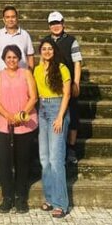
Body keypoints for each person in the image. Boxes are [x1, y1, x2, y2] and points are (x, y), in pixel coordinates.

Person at [0, 44, 37, 214]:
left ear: (19, 58)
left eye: (15, 57)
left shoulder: (26, 73)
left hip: (24, 124)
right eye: (8, 57)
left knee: (22, 162)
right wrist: (8, 116)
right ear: (4, 59)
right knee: (5, 162)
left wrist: (21, 114)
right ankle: (7, 197)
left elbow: (33, 97)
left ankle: (21, 197)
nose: (12, 60)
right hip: (4, 125)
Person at [34, 38, 71, 218]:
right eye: (44, 49)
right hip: (42, 110)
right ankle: (49, 198)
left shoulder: (62, 68)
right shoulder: (37, 70)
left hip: (57, 109)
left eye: (50, 48)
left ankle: (61, 203)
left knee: (56, 159)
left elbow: (67, 94)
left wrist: (60, 117)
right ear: (40, 51)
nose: (47, 51)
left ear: (54, 51)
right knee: (44, 158)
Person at [42, 11, 82, 164]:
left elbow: (77, 63)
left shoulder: (71, 41)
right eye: (52, 24)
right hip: (51, 86)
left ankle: (71, 148)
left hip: (68, 83)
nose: (55, 26)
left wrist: (76, 83)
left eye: (58, 23)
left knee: (73, 115)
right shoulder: (46, 41)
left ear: (63, 23)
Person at [0, 6, 34, 76]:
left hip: (21, 77)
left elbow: (30, 58)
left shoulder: (25, 35)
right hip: (1, 77)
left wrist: (29, 76)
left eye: (13, 17)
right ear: (3, 19)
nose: (10, 19)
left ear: (17, 18)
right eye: (7, 17)